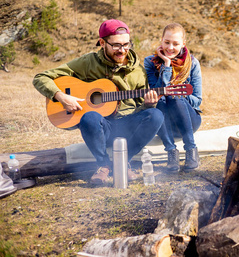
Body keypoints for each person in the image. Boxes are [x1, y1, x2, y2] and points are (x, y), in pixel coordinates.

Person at [33, 19, 164, 185]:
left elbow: (142, 108)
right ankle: (103, 164)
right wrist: (61, 96)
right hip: (100, 129)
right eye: (116, 45)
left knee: (156, 115)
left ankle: (124, 161)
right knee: (89, 117)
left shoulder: (138, 70)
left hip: (128, 127)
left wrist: (149, 104)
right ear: (102, 43)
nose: (122, 50)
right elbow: (41, 77)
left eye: (126, 44)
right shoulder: (88, 63)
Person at [144, 23, 202, 172]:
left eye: (175, 44)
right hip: (164, 124)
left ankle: (191, 149)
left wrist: (180, 95)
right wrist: (167, 65)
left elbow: (197, 100)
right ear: (161, 40)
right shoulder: (150, 62)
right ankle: (171, 151)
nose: (170, 48)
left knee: (174, 97)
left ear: (183, 44)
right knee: (160, 100)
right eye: (167, 42)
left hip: (188, 120)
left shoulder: (193, 63)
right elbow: (156, 91)